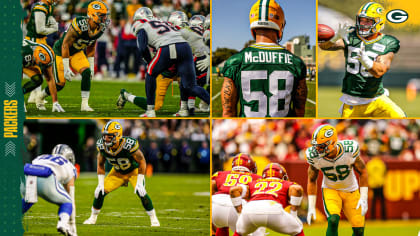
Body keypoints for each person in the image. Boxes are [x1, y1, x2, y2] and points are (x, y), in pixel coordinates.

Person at [221, 0, 307, 117]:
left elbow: (228, 112)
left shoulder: (235, 61)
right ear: (280, 25)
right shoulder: (296, 63)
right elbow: (300, 111)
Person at [319, 2, 405, 118]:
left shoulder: (388, 42)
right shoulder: (351, 34)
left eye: (368, 21)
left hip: (376, 98)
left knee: (400, 116)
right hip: (352, 102)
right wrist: (335, 37)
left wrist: (366, 60)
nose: (363, 24)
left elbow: (380, 71)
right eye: (361, 20)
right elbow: (325, 47)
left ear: (379, 22)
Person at [127, 7, 210, 117]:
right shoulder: (162, 21)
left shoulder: (141, 25)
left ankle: (150, 111)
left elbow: (142, 48)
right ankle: (186, 109)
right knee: (190, 86)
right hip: (185, 48)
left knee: (150, 72)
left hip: (167, 47)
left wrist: (149, 61)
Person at [37, 0, 111, 112]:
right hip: (61, 52)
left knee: (86, 73)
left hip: (76, 52)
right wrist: (67, 68)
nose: (104, 18)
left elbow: (91, 45)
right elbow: (65, 45)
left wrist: (91, 67)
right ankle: (40, 96)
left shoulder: (98, 27)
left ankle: (84, 104)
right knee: (60, 84)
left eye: (105, 16)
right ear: (92, 15)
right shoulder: (80, 24)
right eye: (102, 15)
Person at [83, 121, 160, 227]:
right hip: (117, 172)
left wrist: (140, 181)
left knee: (141, 192)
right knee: (99, 192)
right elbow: (100, 164)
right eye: (105, 136)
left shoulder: (128, 144)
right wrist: (100, 183)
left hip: (133, 172)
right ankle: (92, 218)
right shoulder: (102, 145)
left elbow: (142, 161)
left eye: (109, 137)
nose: (106, 139)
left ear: (117, 136)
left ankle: (153, 218)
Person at [306, 124, 368, 236]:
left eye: (321, 146)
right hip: (331, 190)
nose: (317, 149)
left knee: (359, 230)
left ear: (333, 143)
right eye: (316, 146)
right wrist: (311, 206)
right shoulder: (314, 156)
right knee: (333, 220)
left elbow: (363, 171)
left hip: (351, 191)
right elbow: (311, 179)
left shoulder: (349, 150)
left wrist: (363, 196)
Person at [229, 163, 305, 236]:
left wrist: (240, 213)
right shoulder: (285, 183)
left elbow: (234, 190)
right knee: (297, 230)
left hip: (250, 209)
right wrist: (294, 214)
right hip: (273, 209)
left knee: (239, 232)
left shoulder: (253, 183)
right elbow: (297, 189)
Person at [22, 144, 77, 236]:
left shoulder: (42, 156)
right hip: (46, 175)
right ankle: (62, 224)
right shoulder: (70, 166)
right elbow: (71, 197)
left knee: (29, 199)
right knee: (67, 202)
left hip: (25, 174)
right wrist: (72, 226)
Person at [211, 153, 261, 236]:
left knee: (223, 225)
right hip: (236, 206)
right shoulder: (257, 178)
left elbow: (211, 186)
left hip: (215, 204)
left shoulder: (221, 174)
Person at [24, 0, 59, 105]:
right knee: (40, 68)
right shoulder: (40, 7)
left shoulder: (48, 6)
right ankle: (34, 95)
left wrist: (52, 23)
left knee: (42, 69)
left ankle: (34, 95)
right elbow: (39, 30)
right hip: (34, 40)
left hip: (40, 39)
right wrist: (53, 29)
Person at [22, 39, 64, 112]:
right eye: (41, 64)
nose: (43, 67)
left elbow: (50, 79)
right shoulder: (23, 53)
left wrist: (55, 102)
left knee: (38, 80)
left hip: (27, 62)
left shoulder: (44, 55)